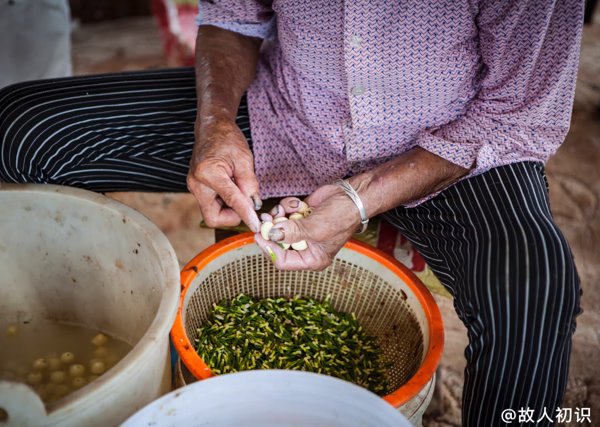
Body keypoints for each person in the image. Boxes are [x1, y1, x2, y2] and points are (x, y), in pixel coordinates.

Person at [0, 1, 583, 425]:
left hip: (449, 149)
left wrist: (361, 199)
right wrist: (216, 125)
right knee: (25, 129)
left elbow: (516, 113)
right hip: (287, 117)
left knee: (535, 289)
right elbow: (232, 21)